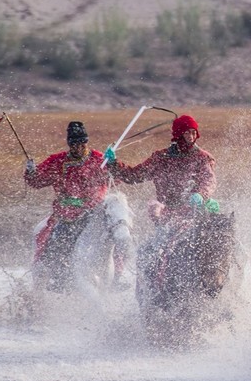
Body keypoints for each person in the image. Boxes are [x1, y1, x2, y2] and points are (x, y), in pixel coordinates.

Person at [107, 115, 217, 290]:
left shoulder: (202, 158)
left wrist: (200, 195)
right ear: (178, 134)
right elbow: (134, 176)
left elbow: (208, 181)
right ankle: (148, 292)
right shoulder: (160, 158)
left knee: (220, 246)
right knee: (148, 253)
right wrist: (113, 164)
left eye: (193, 132)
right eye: (187, 132)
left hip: (196, 213)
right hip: (167, 216)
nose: (191, 136)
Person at [24, 121, 128, 291]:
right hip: (68, 215)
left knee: (118, 234)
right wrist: (31, 172)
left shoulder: (99, 159)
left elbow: (116, 179)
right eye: (75, 144)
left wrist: (112, 165)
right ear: (69, 144)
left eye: (82, 143)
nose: (79, 147)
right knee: (56, 242)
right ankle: (57, 278)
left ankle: (118, 276)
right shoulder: (56, 162)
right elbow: (37, 182)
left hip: (95, 212)